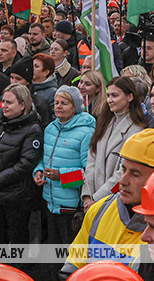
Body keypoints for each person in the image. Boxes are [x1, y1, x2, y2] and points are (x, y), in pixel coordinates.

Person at [61, 129, 154, 278]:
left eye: (135, 174)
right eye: (123, 170)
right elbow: (72, 267)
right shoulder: (99, 209)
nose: (123, 180)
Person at [0, 84, 42, 245]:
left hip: (15, 197)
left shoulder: (32, 130)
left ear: (22, 105)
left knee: (16, 239)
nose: (4, 106)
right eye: (3, 101)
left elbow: (25, 164)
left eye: (9, 102)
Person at [34, 86, 96, 244]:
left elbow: (89, 172)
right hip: (49, 202)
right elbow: (43, 158)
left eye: (64, 103)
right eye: (56, 103)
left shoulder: (86, 133)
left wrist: (61, 176)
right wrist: (39, 171)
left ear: (75, 107)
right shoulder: (50, 128)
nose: (58, 106)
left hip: (71, 207)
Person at [82, 77, 146, 207]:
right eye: (108, 95)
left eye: (115, 95)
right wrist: (87, 196)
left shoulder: (136, 131)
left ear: (130, 97)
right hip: (93, 200)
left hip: (116, 201)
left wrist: (98, 198)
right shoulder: (104, 123)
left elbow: (122, 172)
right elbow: (91, 161)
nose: (110, 100)